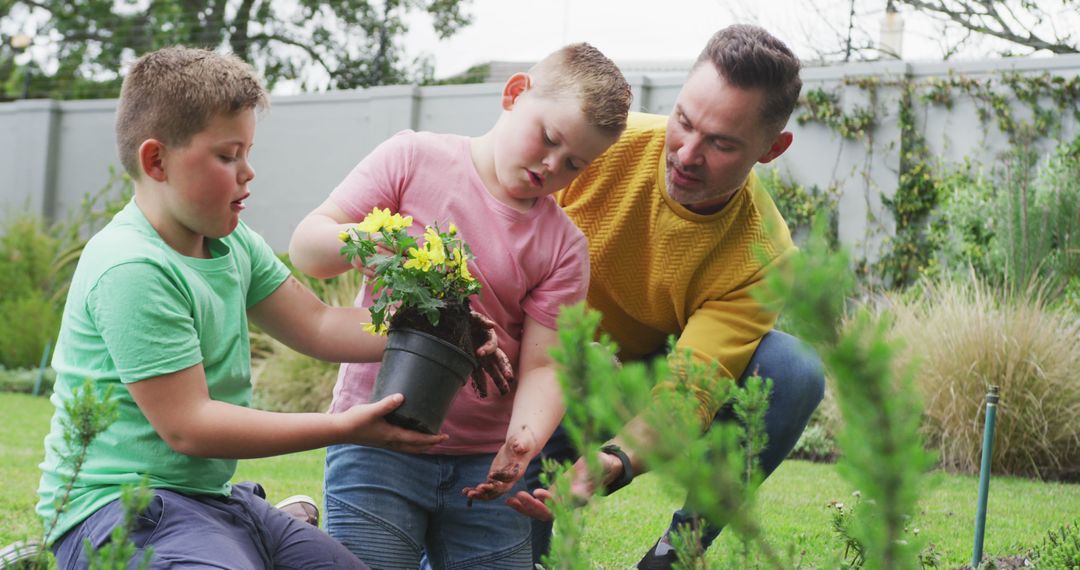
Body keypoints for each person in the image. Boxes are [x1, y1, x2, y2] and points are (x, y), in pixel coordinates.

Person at [33, 46, 496, 569]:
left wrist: (448, 330)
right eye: (228, 156)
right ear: (156, 160)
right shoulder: (132, 267)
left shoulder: (232, 245)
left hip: (208, 504)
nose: (248, 172)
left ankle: (253, 526)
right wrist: (344, 427)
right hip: (115, 510)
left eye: (248, 153)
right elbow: (190, 426)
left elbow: (318, 324)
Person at [287, 43, 633, 569]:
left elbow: (545, 363)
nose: (550, 165)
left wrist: (522, 444)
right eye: (549, 139)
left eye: (573, 165)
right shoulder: (412, 158)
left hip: (483, 460)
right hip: (377, 438)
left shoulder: (563, 247)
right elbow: (308, 247)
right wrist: (381, 240)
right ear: (516, 94)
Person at [508, 25, 827, 569]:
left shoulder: (764, 255)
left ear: (772, 149)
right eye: (683, 121)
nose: (686, 154)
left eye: (722, 143)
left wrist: (618, 459)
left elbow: (691, 388)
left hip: (631, 378)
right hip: (533, 365)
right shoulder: (592, 147)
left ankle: (673, 554)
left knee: (793, 371)